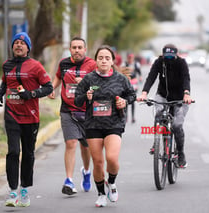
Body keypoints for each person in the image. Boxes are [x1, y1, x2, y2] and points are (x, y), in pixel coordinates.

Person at [0, 32, 53, 207]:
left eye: (22, 43)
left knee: (28, 154)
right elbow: (5, 82)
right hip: (11, 114)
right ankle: (12, 191)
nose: (18, 45)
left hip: (31, 116)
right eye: (16, 43)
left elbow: (48, 88)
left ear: (28, 48)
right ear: (12, 47)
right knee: (13, 151)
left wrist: (31, 94)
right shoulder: (6, 65)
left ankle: (24, 189)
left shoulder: (36, 66)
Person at [74, 45, 136, 207]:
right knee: (98, 162)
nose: (103, 60)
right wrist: (86, 96)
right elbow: (77, 100)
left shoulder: (120, 79)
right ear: (95, 60)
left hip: (114, 123)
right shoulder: (88, 79)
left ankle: (112, 183)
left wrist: (124, 101)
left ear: (112, 61)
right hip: (93, 124)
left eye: (107, 58)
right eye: (100, 58)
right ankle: (101, 193)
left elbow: (131, 95)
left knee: (112, 159)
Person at [48, 37, 96, 195]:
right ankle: (69, 180)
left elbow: (99, 85)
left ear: (85, 49)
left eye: (80, 47)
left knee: (85, 146)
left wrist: (86, 82)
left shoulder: (92, 65)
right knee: (71, 143)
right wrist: (52, 88)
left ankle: (87, 171)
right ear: (70, 49)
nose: (77, 50)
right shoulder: (63, 63)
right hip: (68, 110)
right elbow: (58, 77)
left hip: (87, 111)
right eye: (74, 47)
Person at [137, 43, 193, 168]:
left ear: (176, 55)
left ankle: (180, 153)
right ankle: (156, 142)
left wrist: (186, 94)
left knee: (177, 125)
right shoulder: (159, 62)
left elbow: (186, 78)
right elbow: (151, 77)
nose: (168, 59)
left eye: (171, 57)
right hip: (162, 95)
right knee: (158, 113)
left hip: (180, 98)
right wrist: (144, 93)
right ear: (162, 55)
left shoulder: (181, 63)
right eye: (166, 56)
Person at [124, 53, 142, 123]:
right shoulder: (125, 64)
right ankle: (126, 117)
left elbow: (139, 71)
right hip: (127, 82)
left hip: (134, 82)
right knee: (126, 100)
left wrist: (140, 77)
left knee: (133, 100)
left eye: (131, 58)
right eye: (129, 58)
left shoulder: (136, 64)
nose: (130, 59)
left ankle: (133, 117)